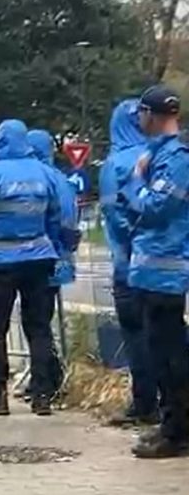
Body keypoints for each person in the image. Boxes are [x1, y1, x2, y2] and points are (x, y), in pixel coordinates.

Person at [0, 119, 70, 416]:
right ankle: (42, 396)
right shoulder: (44, 173)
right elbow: (55, 217)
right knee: (38, 328)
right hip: (39, 258)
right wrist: (52, 247)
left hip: (0, 260)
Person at [122, 86, 189, 459]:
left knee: (170, 356)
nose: (138, 120)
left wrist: (136, 181)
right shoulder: (157, 154)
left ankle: (177, 432)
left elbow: (156, 208)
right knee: (160, 353)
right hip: (151, 273)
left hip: (166, 273)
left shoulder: (176, 159)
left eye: (141, 113)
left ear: (152, 114)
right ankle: (170, 423)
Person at [100, 99, 159, 427]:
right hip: (165, 263)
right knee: (166, 333)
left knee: (137, 335)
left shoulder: (115, 164)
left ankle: (145, 404)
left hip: (129, 264)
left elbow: (115, 215)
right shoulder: (161, 156)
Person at [27, 130, 80, 401]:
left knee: (36, 321)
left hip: (39, 257)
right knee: (42, 319)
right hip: (59, 256)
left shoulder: (35, 178)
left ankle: (46, 381)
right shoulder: (61, 180)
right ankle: (47, 376)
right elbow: (71, 220)